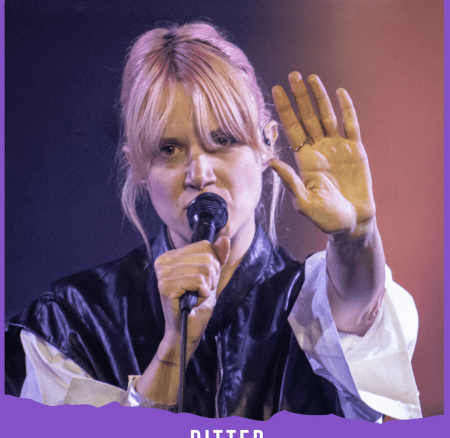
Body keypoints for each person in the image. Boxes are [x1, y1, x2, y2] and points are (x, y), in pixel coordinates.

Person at [5, 22, 421, 421]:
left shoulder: (311, 300)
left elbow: (359, 312)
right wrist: (172, 349)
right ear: (138, 166)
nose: (199, 173)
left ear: (267, 144)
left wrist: (356, 237)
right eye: (169, 149)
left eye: (223, 140)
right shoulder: (70, 321)